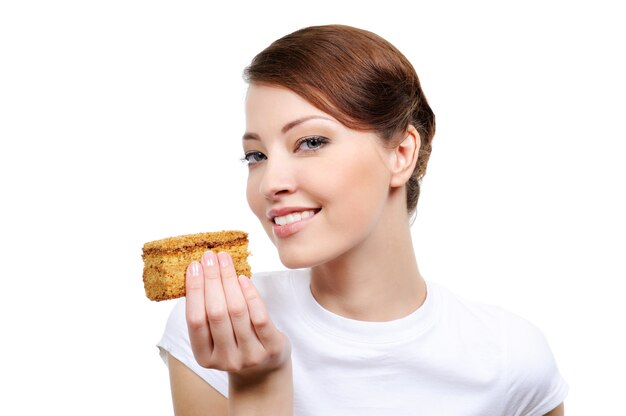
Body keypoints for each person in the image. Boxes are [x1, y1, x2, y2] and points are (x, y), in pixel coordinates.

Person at [157, 24, 568, 415]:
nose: (270, 183)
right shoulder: (215, 333)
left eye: (311, 142)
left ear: (401, 154)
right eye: (256, 156)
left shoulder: (512, 359)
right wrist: (258, 386)